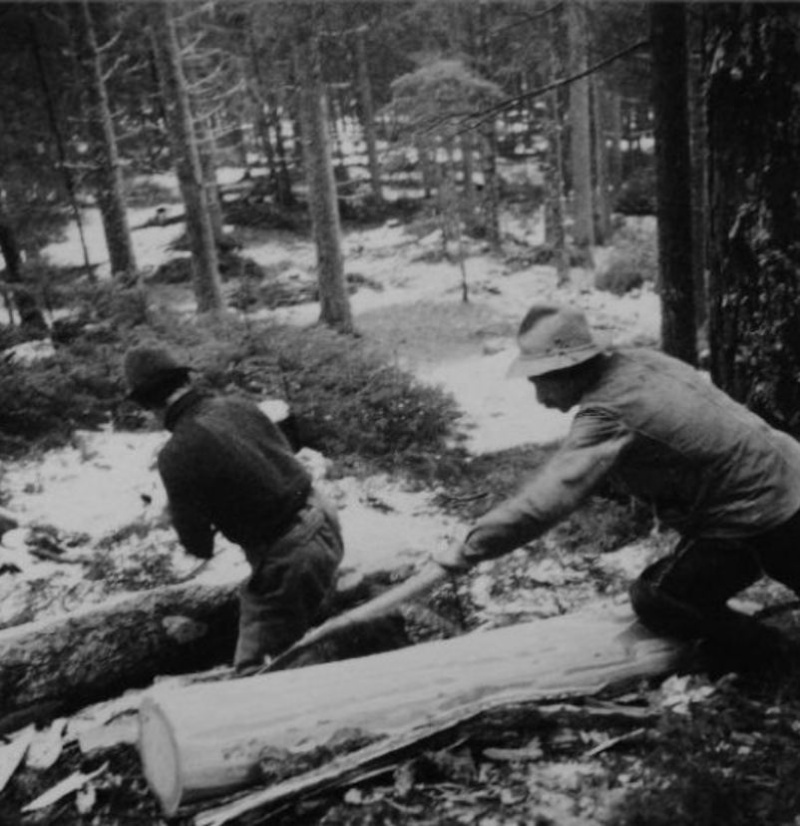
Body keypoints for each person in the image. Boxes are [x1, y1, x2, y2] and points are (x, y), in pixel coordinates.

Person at [434, 303, 800, 667]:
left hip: (764, 512)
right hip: (784, 477)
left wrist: (470, 548)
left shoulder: (607, 413)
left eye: (540, 382)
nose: (541, 399)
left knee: (658, 598)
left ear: (567, 369)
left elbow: (545, 502)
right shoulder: (640, 362)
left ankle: (772, 653)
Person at [123, 345, 344, 671]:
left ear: (147, 403)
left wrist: (180, 513)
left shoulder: (177, 452)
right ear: (184, 379)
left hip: (292, 554)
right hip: (323, 515)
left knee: (256, 669)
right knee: (313, 623)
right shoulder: (239, 406)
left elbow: (199, 547)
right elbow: (278, 462)